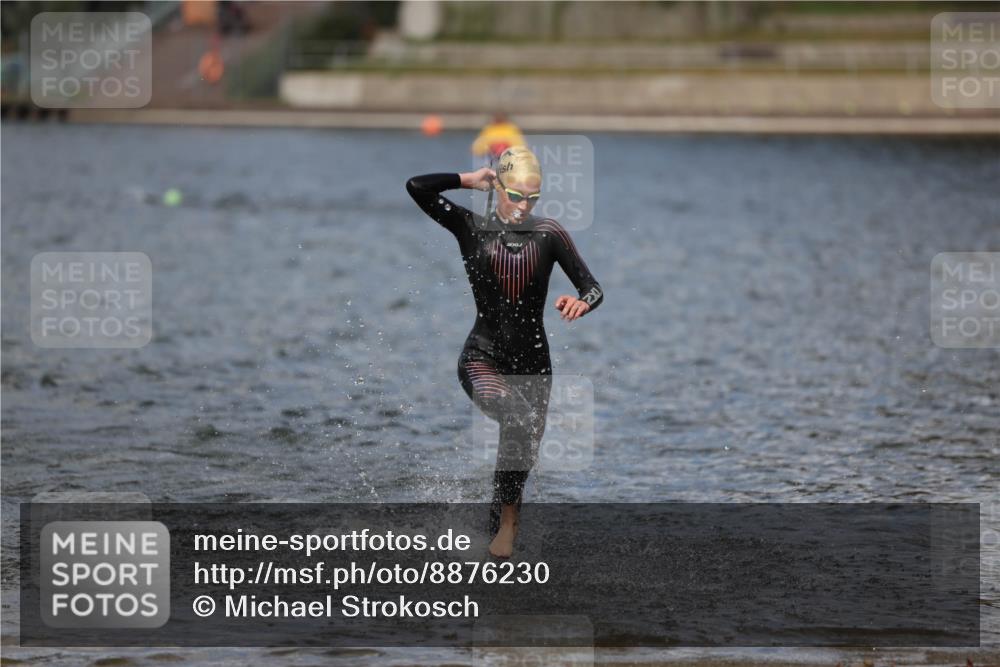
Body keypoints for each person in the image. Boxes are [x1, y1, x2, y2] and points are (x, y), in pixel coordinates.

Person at [406, 146, 603, 558]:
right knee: (516, 418)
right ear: (498, 187)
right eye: (516, 195)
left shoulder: (549, 234)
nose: (524, 205)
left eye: (533, 197)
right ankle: (509, 528)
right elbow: (417, 188)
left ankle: (496, 536)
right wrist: (466, 179)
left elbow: (593, 286)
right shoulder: (469, 227)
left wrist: (583, 302)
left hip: (534, 364)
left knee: (519, 453)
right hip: (482, 357)